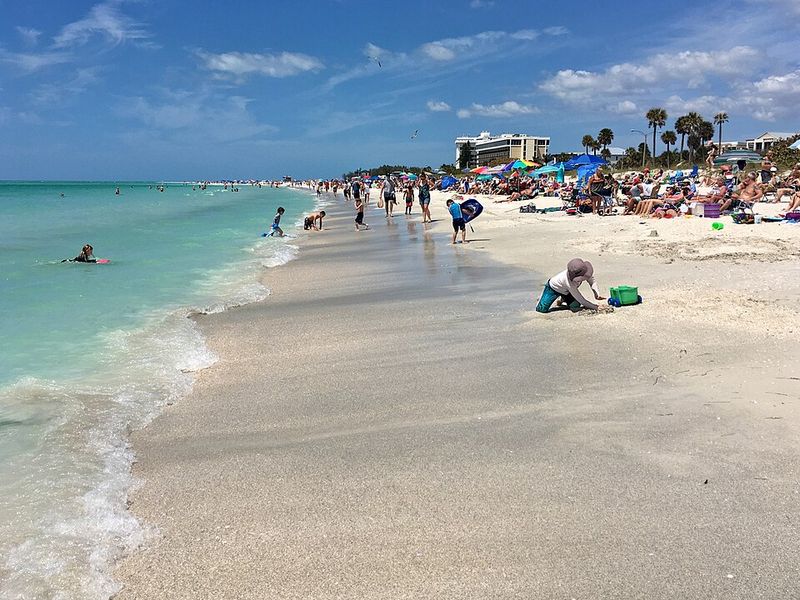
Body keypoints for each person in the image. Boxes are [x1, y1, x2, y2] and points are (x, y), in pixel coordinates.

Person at [535, 258, 607, 313]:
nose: (586, 277)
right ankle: (545, 297)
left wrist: (596, 294)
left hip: (567, 291)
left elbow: (592, 281)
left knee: (575, 306)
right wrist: (596, 307)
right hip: (553, 289)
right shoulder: (568, 282)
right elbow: (581, 300)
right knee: (541, 310)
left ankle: (563, 298)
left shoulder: (585, 271)